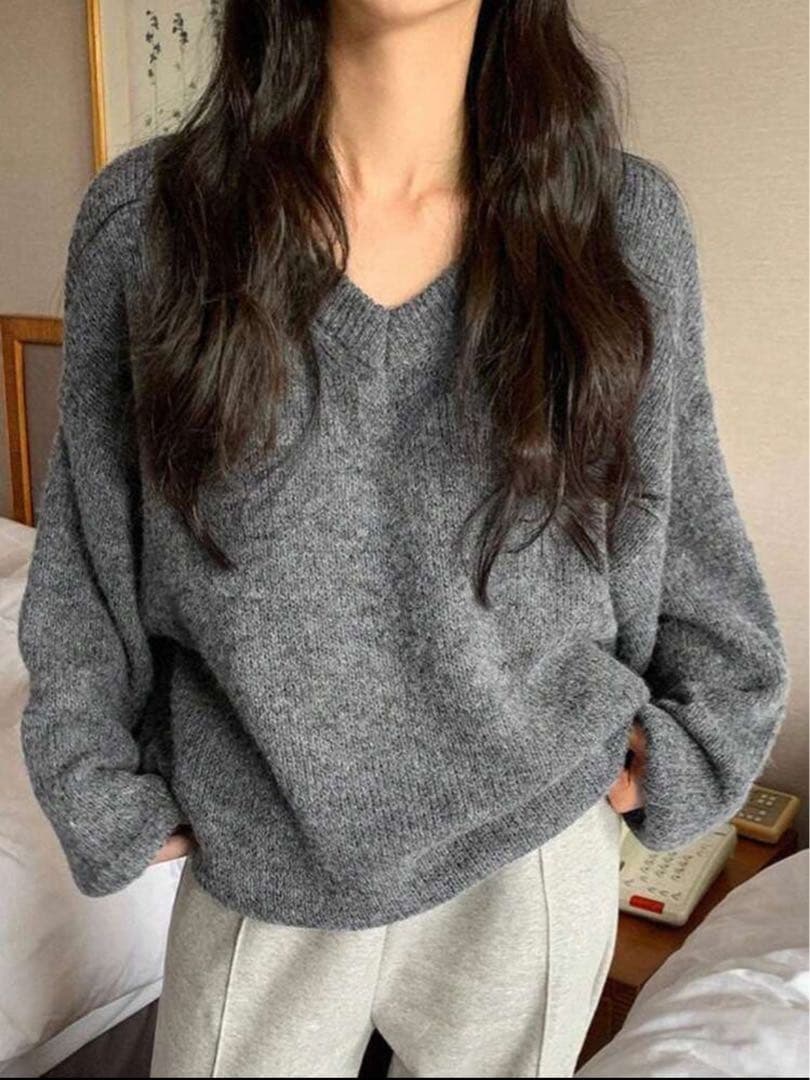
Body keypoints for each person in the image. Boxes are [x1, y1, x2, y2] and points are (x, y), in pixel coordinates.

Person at [17, 1, 790, 1077]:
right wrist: (94, 778)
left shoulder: (619, 227)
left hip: (528, 857)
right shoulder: (149, 226)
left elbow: (685, 523)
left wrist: (698, 738)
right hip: (262, 857)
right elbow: (88, 554)